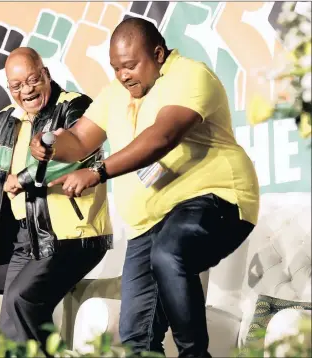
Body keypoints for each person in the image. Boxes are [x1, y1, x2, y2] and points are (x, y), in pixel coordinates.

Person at [30, 18, 260, 357]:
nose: (123, 75)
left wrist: (97, 171)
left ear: (158, 54)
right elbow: (79, 139)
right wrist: (49, 144)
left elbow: (162, 137)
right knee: (135, 335)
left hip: (216, 199)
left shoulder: (190, 76)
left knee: (170, 253)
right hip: (147, 226)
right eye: (116, 68)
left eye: (130, 65)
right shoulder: (115, 94)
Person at [0, 47, 112, 354]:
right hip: (26, 238)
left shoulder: (73, 106)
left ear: (46, 75)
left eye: (32, 80)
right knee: (10, 327)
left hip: (70, 234)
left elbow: (77, 152)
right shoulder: (6, 119)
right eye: (16, 86)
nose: (26, 90)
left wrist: (25, 178)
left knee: (21, 301)